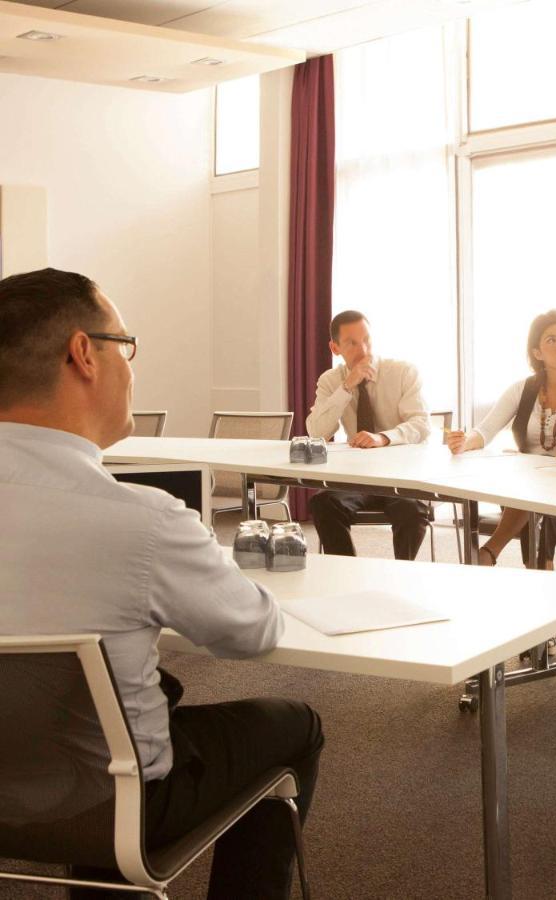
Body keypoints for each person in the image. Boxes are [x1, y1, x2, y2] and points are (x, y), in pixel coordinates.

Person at [0, 268, 323, 899]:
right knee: (293, 723)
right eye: (126, 345)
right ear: (83, 354)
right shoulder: (142, 520)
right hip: (109, 811)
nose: (132, 366)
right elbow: (252, 631)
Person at [446, 310, 556, 567]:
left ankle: (492, 553)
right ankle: (535, 569)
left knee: (531, 492)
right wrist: (463, 442)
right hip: (526, 484)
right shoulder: (522, 389)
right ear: (537, 353)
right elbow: (485, 431)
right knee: (529, 490)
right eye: (552, 340)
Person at [306, 310, 433, 560]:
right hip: (357, 478)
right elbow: (316, 432)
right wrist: (346, 387)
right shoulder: (331, 381)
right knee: (323, 503)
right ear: (335, 348)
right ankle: (347, 572)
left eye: (367, 339)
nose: (363, 349)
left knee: (412, 509)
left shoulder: (403, 372)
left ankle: (402, 574)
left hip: (401, 477)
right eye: (351, 343)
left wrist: (383, 438)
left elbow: (421, 424)